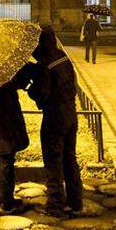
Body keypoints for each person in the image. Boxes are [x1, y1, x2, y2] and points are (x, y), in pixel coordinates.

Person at [26, 24, 83, 217]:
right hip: (71, 114)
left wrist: (31, 91)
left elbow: (42, 95)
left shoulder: (45, 65)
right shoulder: (63, 57)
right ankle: (75, 201)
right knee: (70, 158)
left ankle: (55, 205)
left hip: (54, 117)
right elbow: (73, 86)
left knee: (53, 161)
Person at [0, 67, 35, 212]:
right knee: (6, 159)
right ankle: (6, 201)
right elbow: (10, 98)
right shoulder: (3, 74)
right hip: (4, 121)